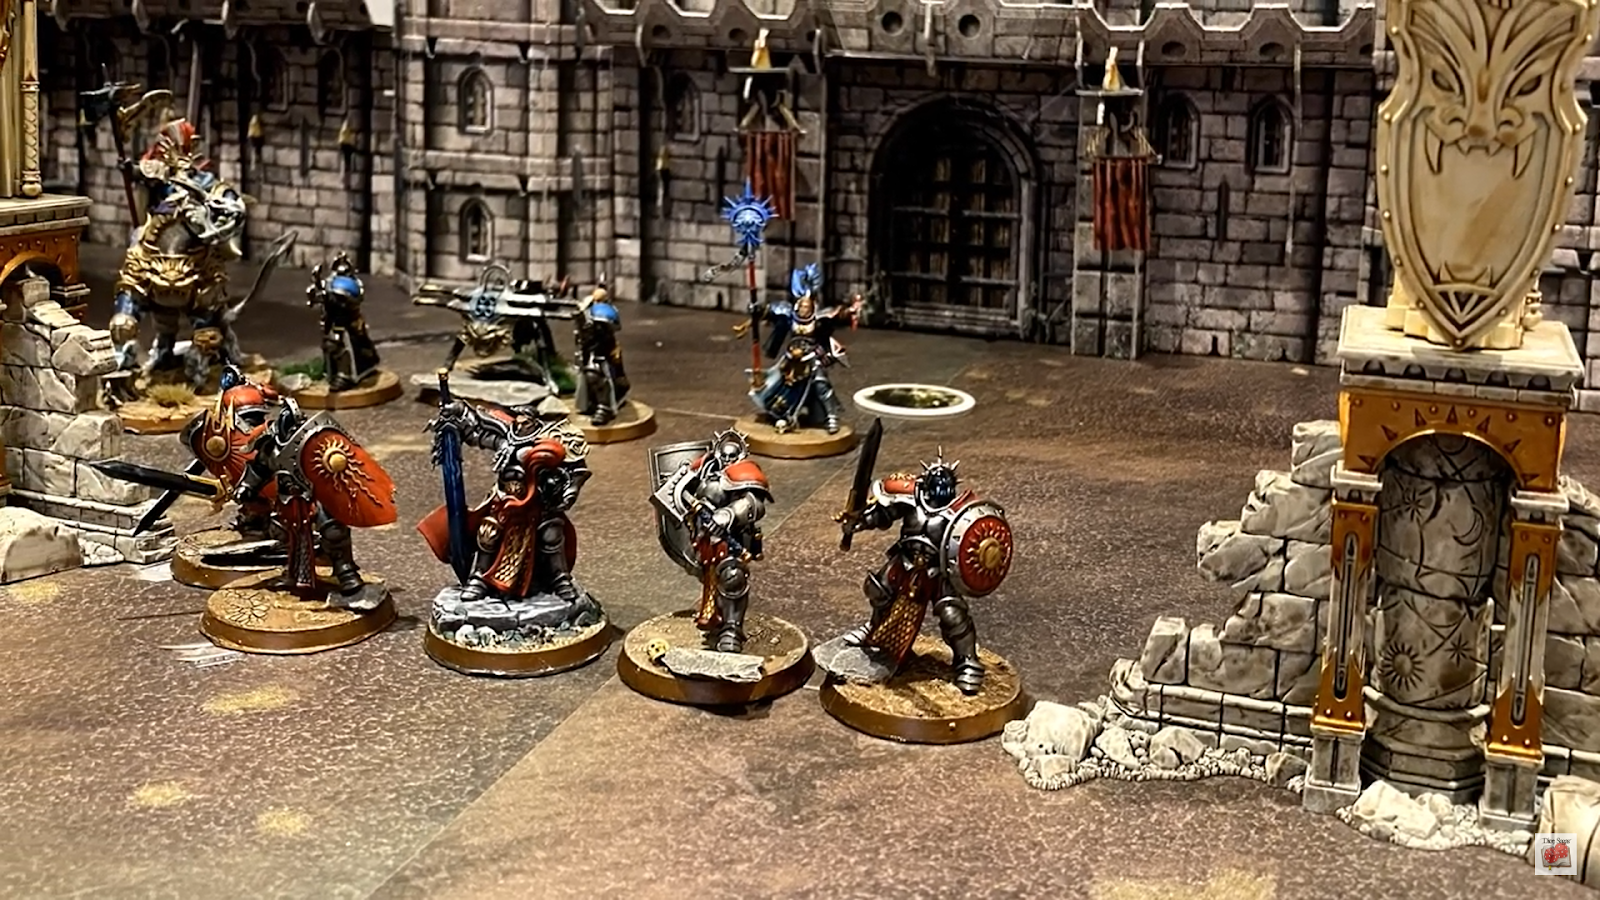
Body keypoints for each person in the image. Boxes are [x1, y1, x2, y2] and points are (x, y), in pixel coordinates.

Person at [420, 400, 596, 613]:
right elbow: (477, 432)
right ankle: (479, 579)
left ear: (534, 420)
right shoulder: (506, 435)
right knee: (488, 532)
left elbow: (577, 469)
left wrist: (571, 490)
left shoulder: (553, 437)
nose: (520, 423)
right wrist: (458, 411)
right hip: (505, 497)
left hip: (537, 500)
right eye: (518, 419)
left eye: (525, 420)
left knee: (551, 535)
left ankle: (560, 579)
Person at [747, 263, 862, 434]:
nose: (803, 309)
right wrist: (756, 309)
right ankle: (785, 414)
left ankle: (831, 417)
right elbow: (770, 312)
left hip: (812, 358)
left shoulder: (820, 318)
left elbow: (839, 315)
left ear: (812, 307)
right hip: (791, 360)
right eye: (801, 306)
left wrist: (852, 310)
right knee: (779, 385)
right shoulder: (789, 315)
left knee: (821, 385)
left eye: (807, 307)